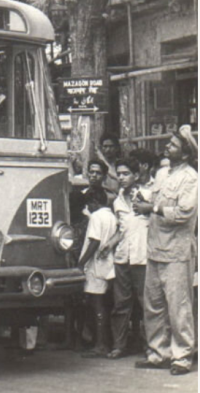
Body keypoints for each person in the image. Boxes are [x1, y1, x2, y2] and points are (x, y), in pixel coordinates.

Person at [132, 125, 198, 375]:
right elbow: (156, 201)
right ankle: (159, 353)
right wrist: (146, 203)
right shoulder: (162, 174)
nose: (166, 148)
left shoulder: (191, 178)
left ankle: (182, 356)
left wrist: (154, 209)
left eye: (172, 145)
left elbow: (185, 212)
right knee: (154, 305)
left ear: (185, 152)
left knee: (179, 306)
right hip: (156, 249)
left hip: (177, 252)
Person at [99, 157, 150, 358]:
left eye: (126, 173)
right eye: (119, 174)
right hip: (123, 258)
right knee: (121, 303)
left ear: (136, 175)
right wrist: (109, 244)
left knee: (147, 303)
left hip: (143, 257)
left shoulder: (147, 196)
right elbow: (122, 229)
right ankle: (119, 345)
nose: (121, 177)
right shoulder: (118, 200)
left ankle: (151, 346)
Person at [77, 193, 118, 358]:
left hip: (95, 265)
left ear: (95, 201)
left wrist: (81, 263)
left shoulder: (95, 216)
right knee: (103, 304)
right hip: (108, 265)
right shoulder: (112, 216)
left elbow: (94, 241)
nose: (87, 208)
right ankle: (103, 342)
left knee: (97, 304)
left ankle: (101, 345)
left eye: (89, 204)